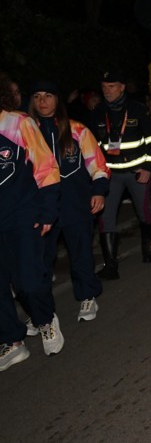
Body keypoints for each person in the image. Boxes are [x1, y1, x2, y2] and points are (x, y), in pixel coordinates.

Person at [29, 81, 110, 321]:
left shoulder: (76, 130)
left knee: (81, 254)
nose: (42, 101)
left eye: (48, 95)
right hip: (41, 209)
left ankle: (87, 296)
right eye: (37, 96)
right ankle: (42, 313)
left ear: (58, 100)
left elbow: (98, 165)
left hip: (75, 204)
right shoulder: (26, 132)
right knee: (40, 262)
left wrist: (98, 190)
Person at [0, 74, 64, 371]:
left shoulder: (17, 123)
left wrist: (48, 211)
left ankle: (44, 319)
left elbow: (46, 167)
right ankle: (12, 341)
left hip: (22, 216)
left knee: (27, 281)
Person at [88, 69, 151, 279]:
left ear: (122, 88)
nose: (107, 91)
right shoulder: (98, 112)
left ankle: (149, 247)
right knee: (105, 217)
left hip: (137, 172)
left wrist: (148, 168)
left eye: (111, 87)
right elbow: (92, 144)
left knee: (144, 213)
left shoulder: (137, 109)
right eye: (104, 87)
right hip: (109, 174)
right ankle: (111, 265)